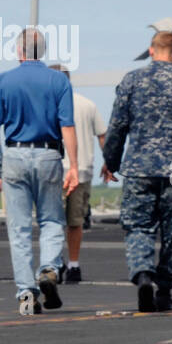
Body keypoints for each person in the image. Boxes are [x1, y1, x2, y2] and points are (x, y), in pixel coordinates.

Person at [101, 30, 172, 312]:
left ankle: (143, 273)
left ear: (151, 50)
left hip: (139, 164)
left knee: (138, 224)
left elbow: (117, 127)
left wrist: (110, 163)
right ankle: (164, 290)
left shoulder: (132, 81)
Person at [0, 28, 78, 316]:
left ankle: (26, 293)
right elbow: (67, 126)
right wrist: (73, 165)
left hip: (14, 153)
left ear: (19, 51)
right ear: (44, 51)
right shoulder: (59, 80)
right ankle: (49, 267)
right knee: (51, 219)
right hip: (49, 153)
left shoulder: (3, 80)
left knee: (20, 228)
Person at [53, 67, 107, 282]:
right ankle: (74, 265)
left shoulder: (47, 104)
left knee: (52, 221)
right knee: (75, 222)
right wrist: (109, 163)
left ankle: (54, 265)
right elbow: (102, 135)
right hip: (82, 171)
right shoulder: (87, 104)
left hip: (53, 171)